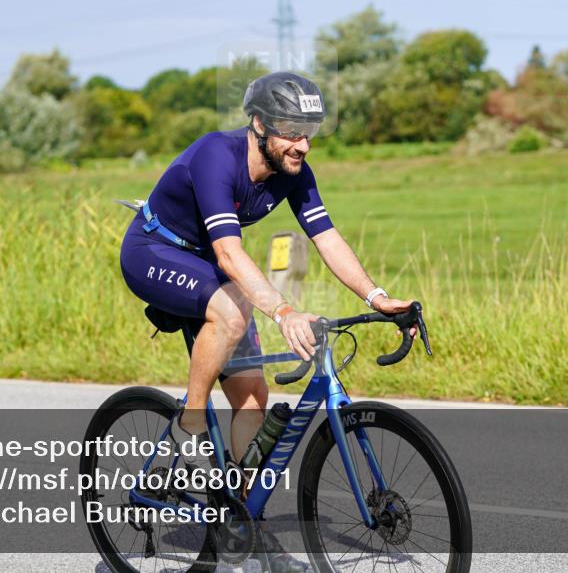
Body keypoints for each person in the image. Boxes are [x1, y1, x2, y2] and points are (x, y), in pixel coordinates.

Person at [118, 72, 415, 568]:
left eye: (310, 131)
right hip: (154, 251)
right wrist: (283, 310)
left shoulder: (295, 172)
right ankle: (188, 427)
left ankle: (235, 519)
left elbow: (326, 238)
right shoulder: (217, 155)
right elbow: (231, 256)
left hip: (208, 264)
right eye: (292, 130)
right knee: (232, 309)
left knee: (253, 398)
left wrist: (377, 295)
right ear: (258, 124)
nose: (303, 143)